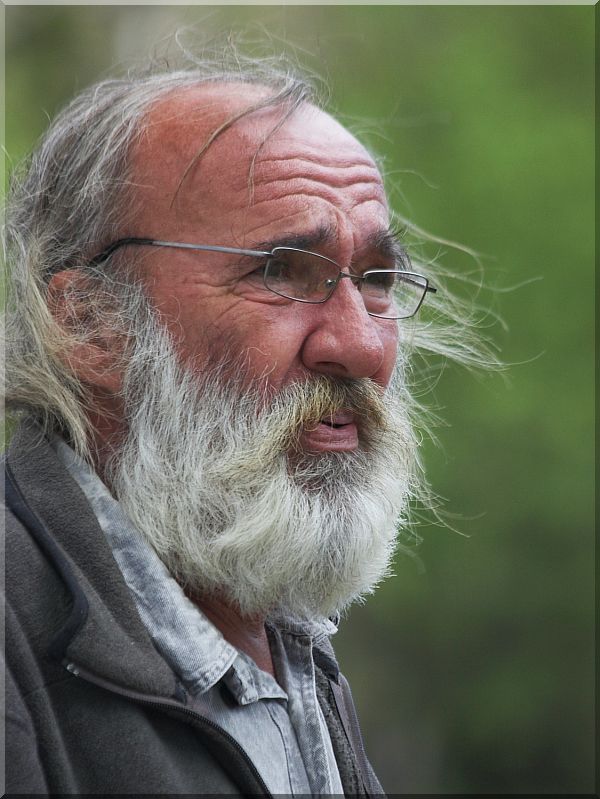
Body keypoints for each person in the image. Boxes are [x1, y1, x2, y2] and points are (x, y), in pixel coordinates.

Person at [3, 54, 440, 796]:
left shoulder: (287, 640)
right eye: (281, 271)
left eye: (376, 280)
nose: (362, 346)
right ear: (91, 324)